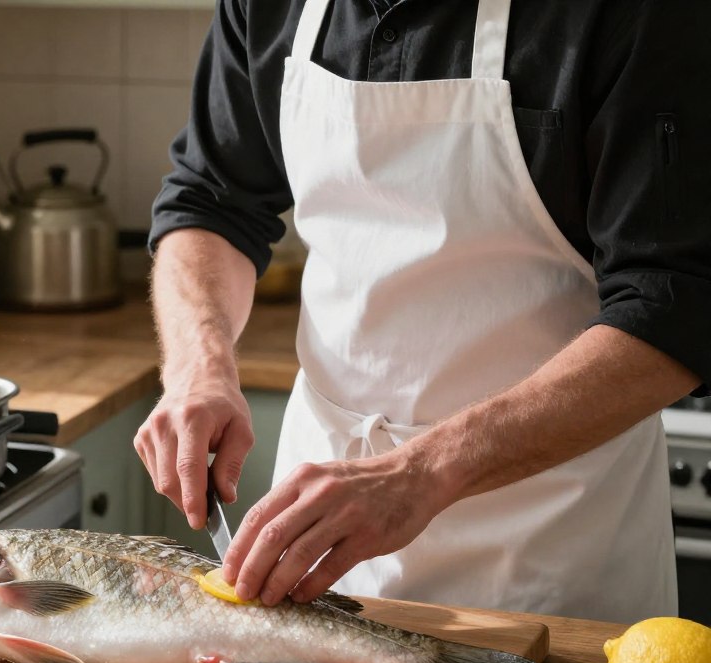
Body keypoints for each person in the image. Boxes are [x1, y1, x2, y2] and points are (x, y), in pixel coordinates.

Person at [135, 0, 711, 623]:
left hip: (550, 547)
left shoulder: (635, 15)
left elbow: (675, 302)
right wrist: (200, 365)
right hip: (317, 532)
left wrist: (421, 472)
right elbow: (210, 201)